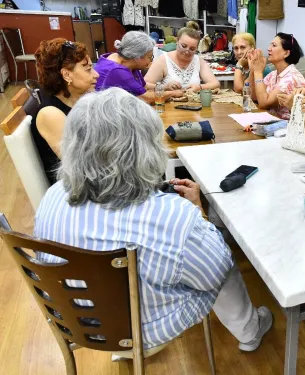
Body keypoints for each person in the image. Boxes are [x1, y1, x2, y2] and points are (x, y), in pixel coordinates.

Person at [34, 87, 274, 353]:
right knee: (219, 258)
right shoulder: (172, 216)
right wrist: (199, 214)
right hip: (139, 327)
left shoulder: (52, 196)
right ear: (146, 148)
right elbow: (215, 271)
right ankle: (250, 330)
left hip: (74, 318)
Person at [32, 38, 99, 185]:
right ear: (67, 75)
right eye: (88, 69)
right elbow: (79, 166)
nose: (96, 75)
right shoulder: (50, 114)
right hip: (75, 190)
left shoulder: (79, 101)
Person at [94, 31, 183, 104]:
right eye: (149, 57)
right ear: (137, 57)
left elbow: (144, 85)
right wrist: (173, 93)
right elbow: (146, 97)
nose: (150, 61)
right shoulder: (117, 70)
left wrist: (166, 87)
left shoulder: (127, 60)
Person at [246, 32, 305, 119]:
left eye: (274, 45)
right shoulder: (273, 74)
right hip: (273, 122)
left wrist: (258, 72)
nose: (268, 49)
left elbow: (264, 103)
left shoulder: (292, 77)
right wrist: (253, 70)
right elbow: (254, 97)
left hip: (287, 127)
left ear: (286, 53)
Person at [145, 26, 221, 96]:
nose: (187, 51)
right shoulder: (163, 60)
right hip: (168, 108)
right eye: (184, 46)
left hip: (194, 107)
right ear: (177, 41)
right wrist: (165, 87)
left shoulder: (198, 61)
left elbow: (215, 83)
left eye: (192, 49)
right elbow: (144, 86)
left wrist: (199, 87)